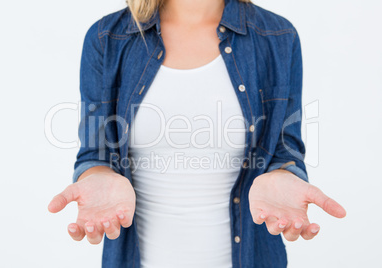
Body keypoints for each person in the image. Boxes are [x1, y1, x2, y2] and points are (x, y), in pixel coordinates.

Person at [48, 0, 346, 267]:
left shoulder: (279, 37)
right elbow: (95, 151)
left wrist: (285, 175)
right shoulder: (106, 38)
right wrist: (97, 175)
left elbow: (285, 148)